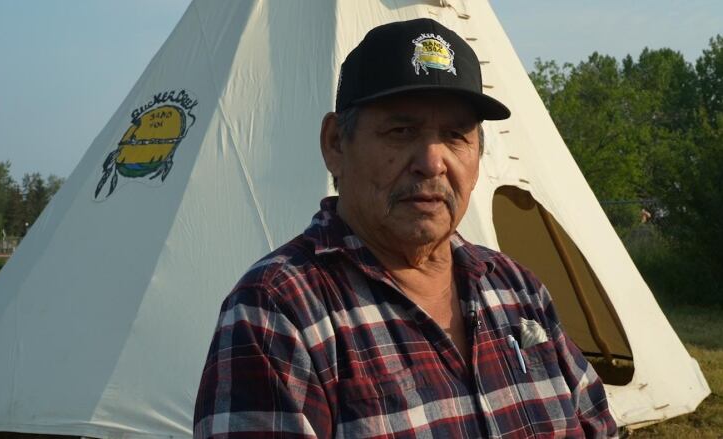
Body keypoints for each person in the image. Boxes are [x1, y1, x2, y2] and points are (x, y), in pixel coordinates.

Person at [194, 18, 617, 438]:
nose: (433, 163)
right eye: (401, 131)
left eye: (455, 135)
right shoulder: (278, 311)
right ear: (336, 145)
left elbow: (598, 424)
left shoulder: (518, 289)